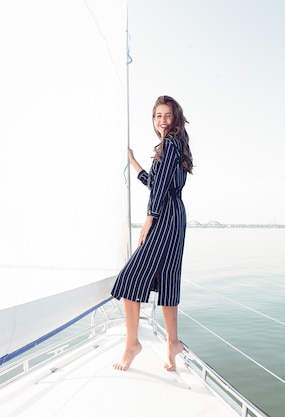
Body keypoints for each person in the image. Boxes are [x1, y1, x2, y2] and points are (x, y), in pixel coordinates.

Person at [111, 95, 193, 372]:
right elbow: (155, 183)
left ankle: (132, 344)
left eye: (167, 115)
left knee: (129, 279)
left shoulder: (170, 143)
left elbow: (158, 191)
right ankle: (173, 344)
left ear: (176, 118)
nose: (162, 120)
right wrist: (133, 162)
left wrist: (149, 221)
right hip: (176, 215)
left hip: (165, 217)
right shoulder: (174, 146)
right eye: (158, 115)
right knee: (168, 278)